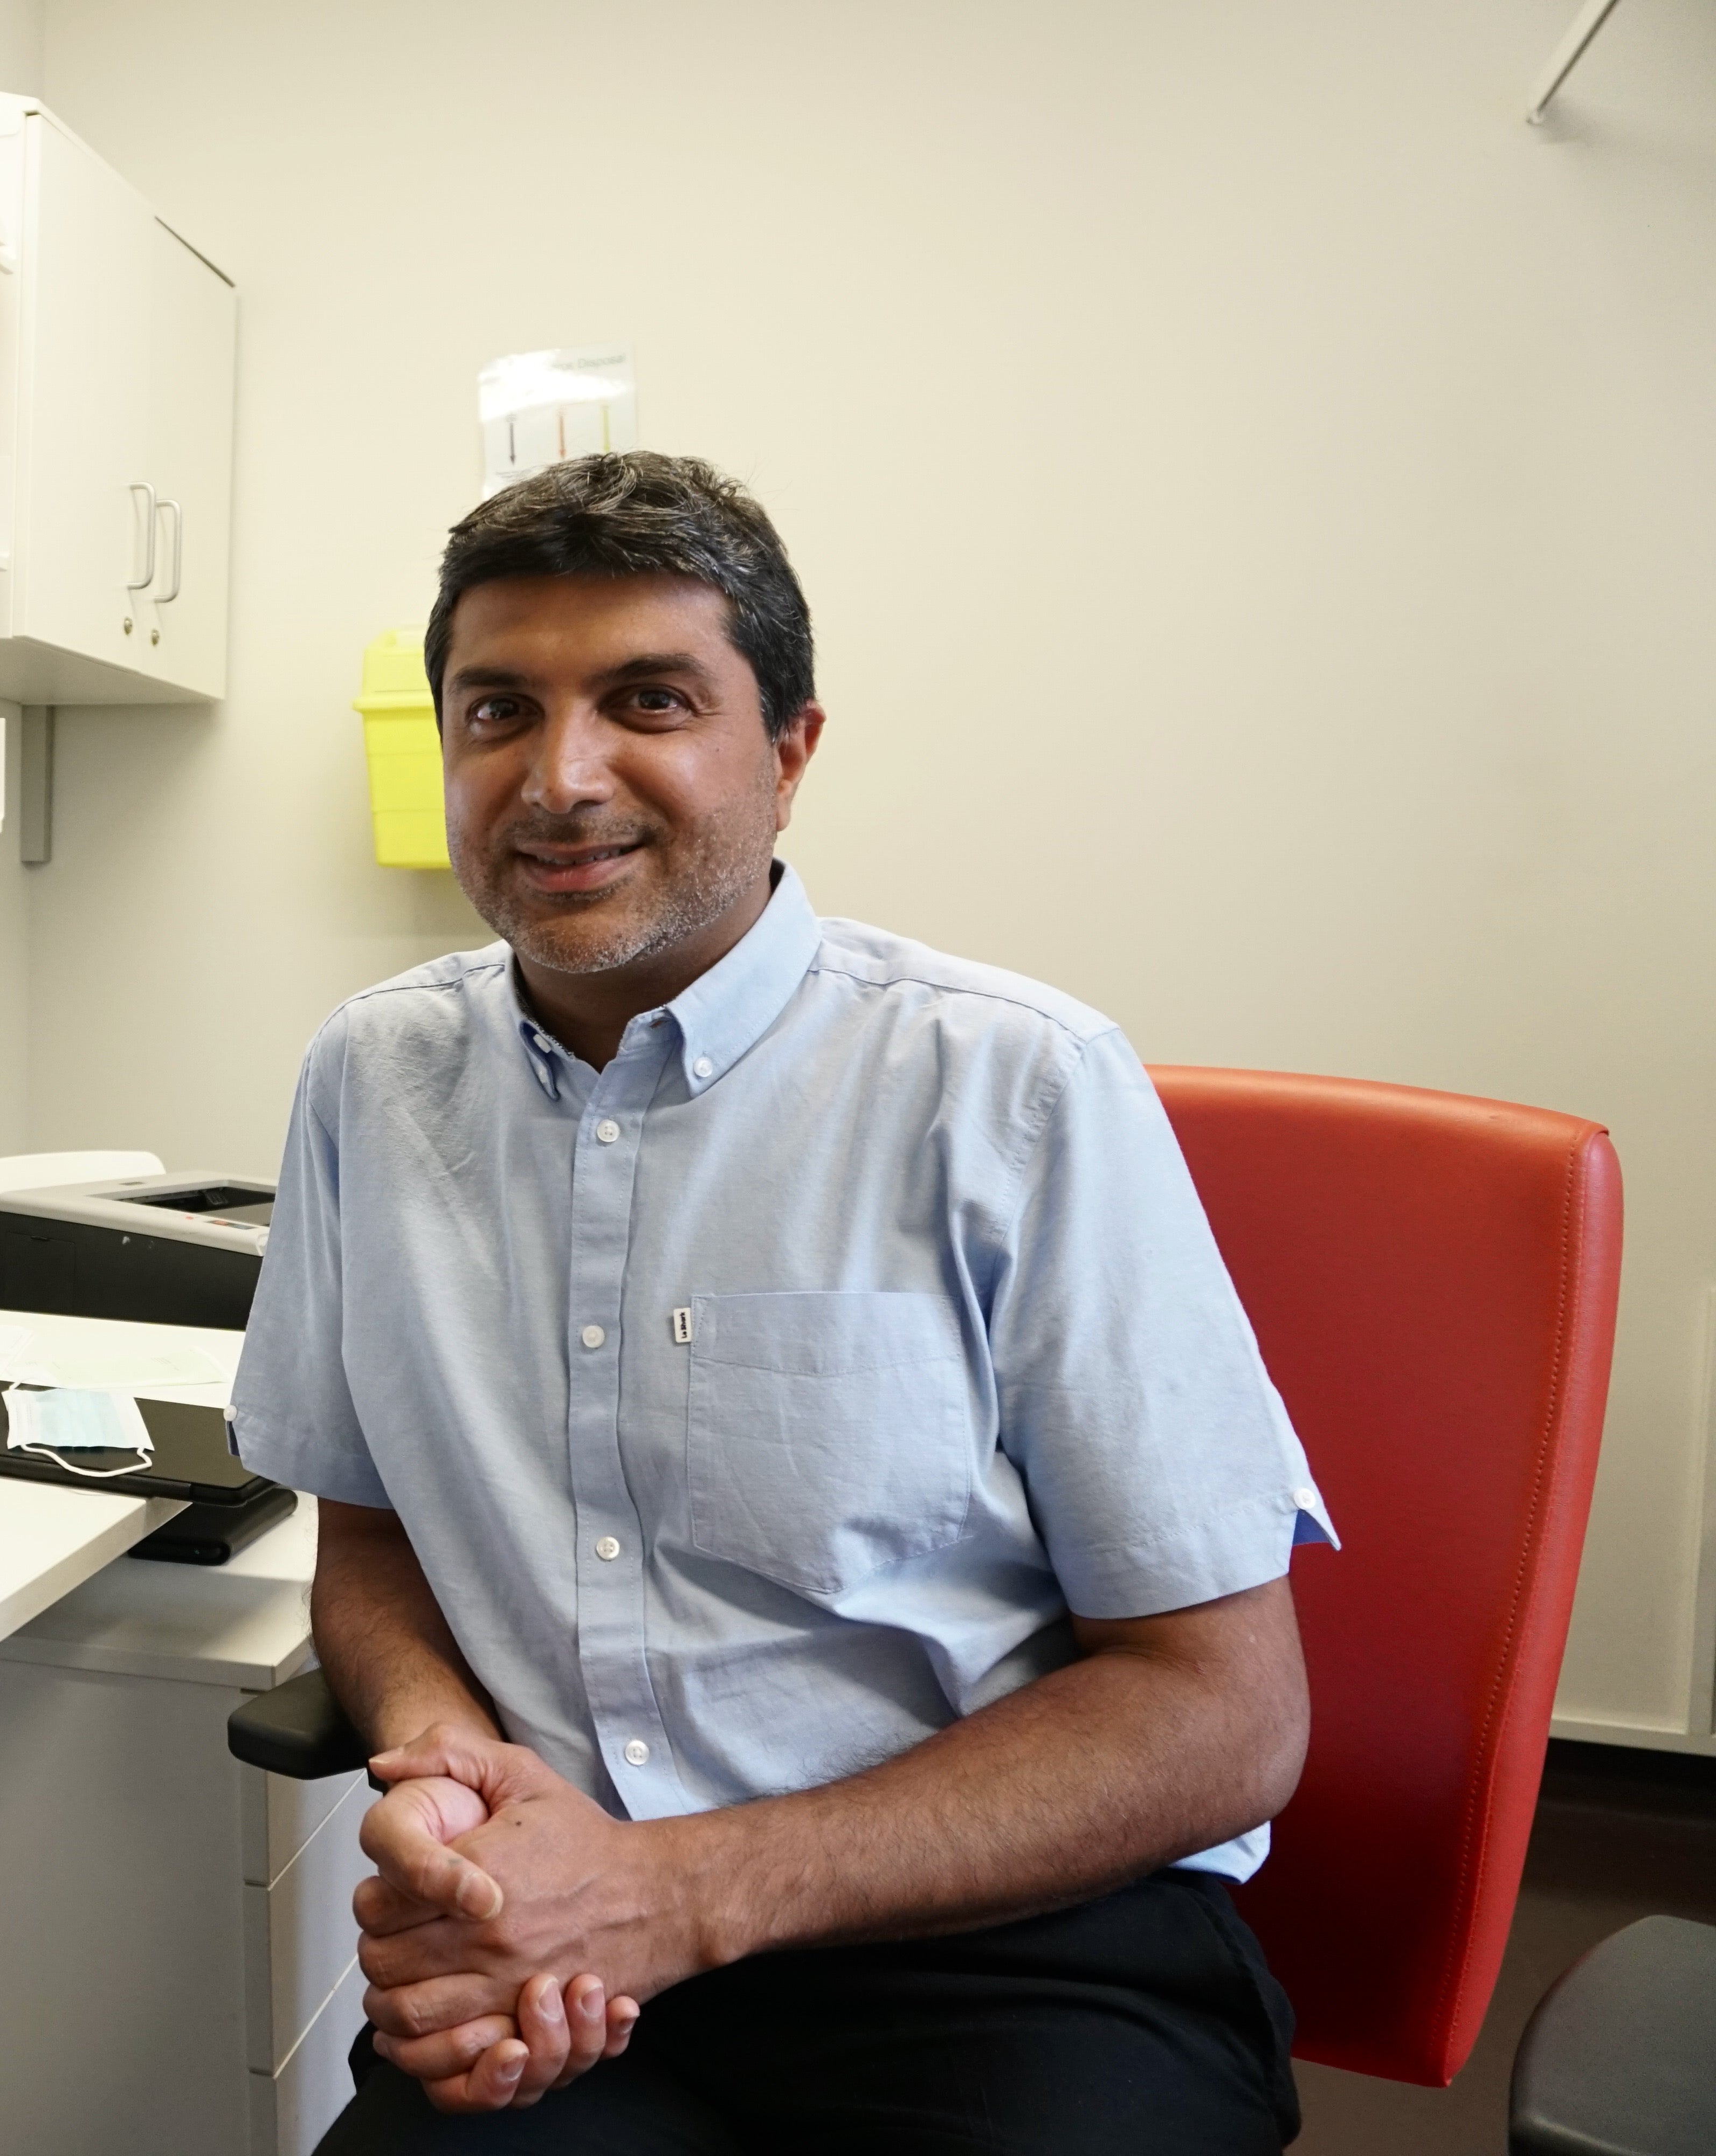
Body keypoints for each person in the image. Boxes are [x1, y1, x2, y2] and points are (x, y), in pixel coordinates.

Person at [228, 452, 1336, 2153]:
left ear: (791, 753)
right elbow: (367, 1533)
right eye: (498, 710)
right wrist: (453, 1775)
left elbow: (1220, 1710)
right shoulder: (373, 1080)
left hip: (1004, 1949)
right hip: (570, 1944)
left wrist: (671, 1894)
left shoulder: (1015, 1088)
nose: (560, 777)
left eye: (649, 701)